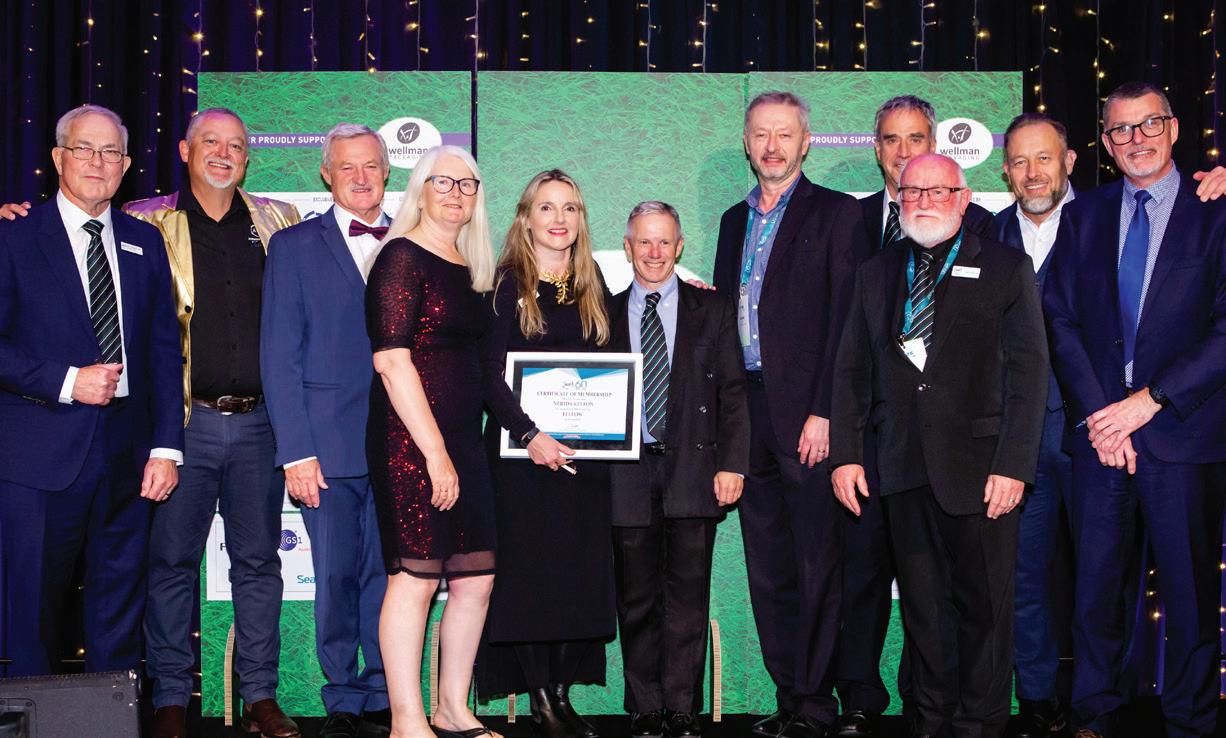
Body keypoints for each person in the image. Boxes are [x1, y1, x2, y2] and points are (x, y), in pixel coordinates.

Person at [830, 153, 1049, 738]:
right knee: (924, 612)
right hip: (901, 467)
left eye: (937, 190)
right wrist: (846, 455)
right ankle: (930, 722)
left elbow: (1029, 375)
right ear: (898, 198)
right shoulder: (875, 273)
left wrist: (1013, 466)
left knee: (984, 612)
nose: (923, 201)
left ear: (963, 197)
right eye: (912, 191)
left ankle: (979, 725)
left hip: (984, 473)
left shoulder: (1005, 268)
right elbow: (851, 372)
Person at [1044, 81, 1226, 738]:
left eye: (1149, 124)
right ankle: (1096, 713)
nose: (1135, 139)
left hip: (1183, 434)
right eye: (1120, 129)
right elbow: (1060, 319)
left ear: (1173, 129)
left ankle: (1192, 722)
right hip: (1102, 440)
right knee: (1095, 593)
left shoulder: (1215, 211)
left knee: (1190, 597)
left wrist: (1147, 403)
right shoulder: (1083, 216)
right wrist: (1104, 416)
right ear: (1105, 142)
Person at [124, 108, 302, 738]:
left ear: (248, 158)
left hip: (260, 425)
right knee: (172, 563)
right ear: (185, 150)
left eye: (236, 145)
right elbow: (77, 230)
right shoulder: (145, 221)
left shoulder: (279, 220)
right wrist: (17, 215)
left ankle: (259, 697)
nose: (224, 153)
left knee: (258, 564)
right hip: (182, 426)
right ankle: (172, 698)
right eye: (211, 142)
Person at [0, 104, 182, 679]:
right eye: (84, 148)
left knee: (119, 607)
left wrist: (166, 447)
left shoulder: (145, 241)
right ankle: (31, 716)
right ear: (59, 158)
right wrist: (66, 381)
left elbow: (162, 350)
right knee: (31, 609)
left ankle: (111, 718)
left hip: (129, 457)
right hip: (39, 457)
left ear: (125, 166)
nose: (97, 162)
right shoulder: (13, 236)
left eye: (110, 152)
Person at [712, 90, 870, 738]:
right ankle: (788, 695)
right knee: (769, 568)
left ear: (806, 142)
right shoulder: (732, 221)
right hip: (746, 413)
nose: (772, 146)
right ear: (747, 144)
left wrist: (825, 411)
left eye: (784, 134)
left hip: (807, 417)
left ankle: (815, 702)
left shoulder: (837, 214)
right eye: (760, 134)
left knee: (815, 567)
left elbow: (847, 320)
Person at [837, 93, 995, 738]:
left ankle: (954, 716)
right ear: (877, 150)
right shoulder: (853, 231)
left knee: (963, 600)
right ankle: (882, 705)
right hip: (884, 446)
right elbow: (844, 353)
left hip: (962, 455)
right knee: (891, 589)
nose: (904, 154)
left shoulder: (988, 239)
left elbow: (1016, 360)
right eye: (891, 140)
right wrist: (844, 442)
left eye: (916, 140)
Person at [261, 123, 393, 738]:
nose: (360, 178)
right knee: (336, 577)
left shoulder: (416, 239)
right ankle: (342, 695)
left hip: (399, 444)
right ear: (326, 174)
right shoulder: (292, 247)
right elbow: (279, 357)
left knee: (388, 577)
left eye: (370, 166)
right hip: (327, 446)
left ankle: (386, 691)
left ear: (387, 171)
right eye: (347, 167)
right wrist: (296, 451)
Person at [365, 144, 499, 738]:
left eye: (467, 184)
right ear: (420, 189)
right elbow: (392, 362)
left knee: (475, 577)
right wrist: (435, 453)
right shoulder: (400, 256)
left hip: (465, 442)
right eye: (443, 181)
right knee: (415, 579)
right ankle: (407, 722)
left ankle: (452, 710)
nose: (455, 193)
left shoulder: (472, 267)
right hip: (411, 443)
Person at [476, 169, 614, 738]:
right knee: (529, 579)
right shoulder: (505, 283)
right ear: (526, 218)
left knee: (575, 578)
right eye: (547, 207)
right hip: (522, 461)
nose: (560, 219)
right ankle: (539, 698)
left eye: (570, 208)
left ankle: (560, 693)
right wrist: (530, 435)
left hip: (583, 462)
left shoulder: (592, 281)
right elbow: (487, 374)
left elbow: (614, 365)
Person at [607, 201, 749, 738]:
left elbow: (734, 392)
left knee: (688, 597)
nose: (654, 252)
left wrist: (733, 463)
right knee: (636, 599)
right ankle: (645, 708)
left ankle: (683, 708)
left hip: (694, 470)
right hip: (626, 474)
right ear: (627, 248)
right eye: (644, 241)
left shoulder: (711, 308)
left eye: (664, 241)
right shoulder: (602, 313)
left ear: (680, 246)